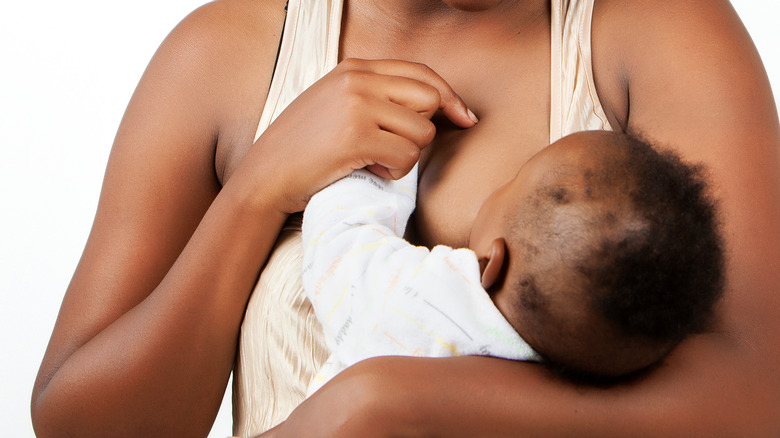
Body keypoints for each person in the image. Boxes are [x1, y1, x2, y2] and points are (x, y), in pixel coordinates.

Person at [30, 0, 780, 437]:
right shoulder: (225, 56)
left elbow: (755, 397)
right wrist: (257, 190)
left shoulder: (656, 28)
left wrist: (388, 403)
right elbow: (83, 424)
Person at [302, 130, 723, 395]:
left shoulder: (433, 306)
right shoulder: (579, 372)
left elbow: (339, 243)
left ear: (492, 260)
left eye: (511, 181)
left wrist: (388, 163)